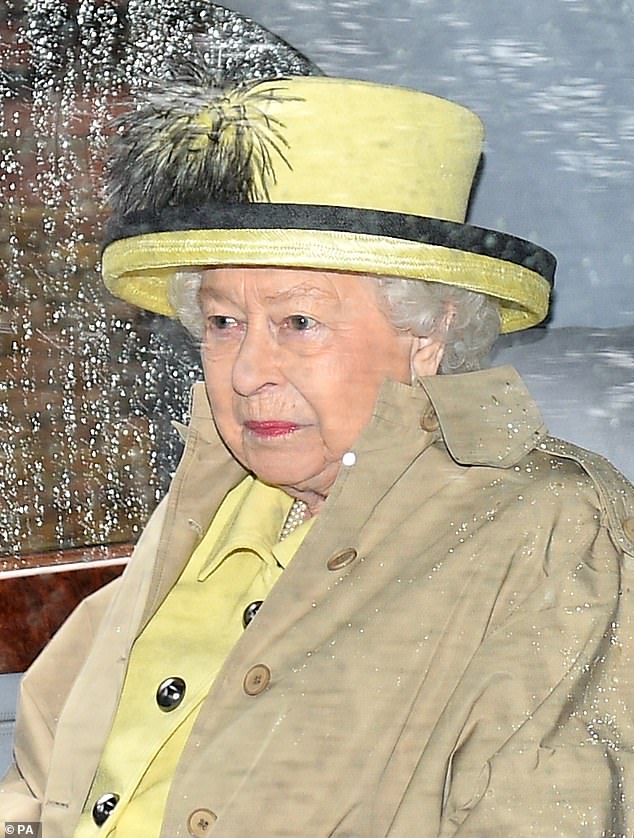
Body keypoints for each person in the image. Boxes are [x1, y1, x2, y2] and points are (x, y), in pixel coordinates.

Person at [2, 9, 634, 837]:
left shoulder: (549, 529)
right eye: (223, 322)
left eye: (298, 323)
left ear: (426, 335)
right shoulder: (213, 504)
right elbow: (40, 778)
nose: (247, 370)